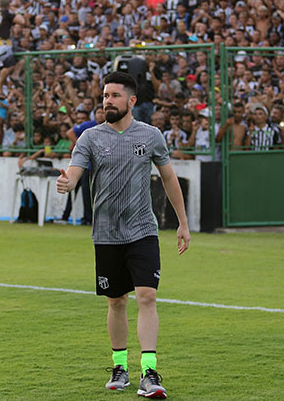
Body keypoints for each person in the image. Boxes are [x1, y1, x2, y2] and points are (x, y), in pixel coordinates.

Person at [56, 71, 190, 399]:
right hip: (106, 234)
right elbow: (74, 172)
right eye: (105, 96)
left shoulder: (151, 135)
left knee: (147, 296)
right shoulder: (90, 137)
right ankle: (119, 367)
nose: (108, 101)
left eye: (115, 95)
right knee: (116, 301)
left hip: (143, 230)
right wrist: (67, 182)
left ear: (131, 101)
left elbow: (169, 178)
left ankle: (149, 372)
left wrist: (183, 222)